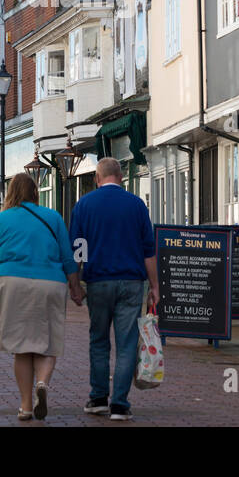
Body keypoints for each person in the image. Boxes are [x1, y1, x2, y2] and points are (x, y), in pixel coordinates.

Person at [0, 173, 84, 421]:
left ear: (10, 193)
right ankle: (42, 384)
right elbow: (68, 258)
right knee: (46, 342)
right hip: (50, 283)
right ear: (36, 193)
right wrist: (75, 287)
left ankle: (26, 406)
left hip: (11, 284)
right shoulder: (53, 217)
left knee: (21, 347)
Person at [67, 156, 157, 422]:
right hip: (131, 282)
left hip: (98, 282)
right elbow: (148, 251)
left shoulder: (84, 205)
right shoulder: (137, 205)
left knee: (99, 340)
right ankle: (119, 404)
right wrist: (155, 286)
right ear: (120, 177)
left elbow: (78, 249)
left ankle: (97, 398)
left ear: (97, 178)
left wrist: (76, 284)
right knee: (127, 343)